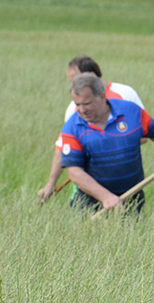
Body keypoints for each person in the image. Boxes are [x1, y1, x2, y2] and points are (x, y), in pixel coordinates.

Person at [57, 73, 154, 213]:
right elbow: (74, 172)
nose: (82, 110)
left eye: (87, 103)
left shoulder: (130, 111)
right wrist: (106, 197)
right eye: (77, 104)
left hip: (132, 198)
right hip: (91, 204)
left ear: (102, 96)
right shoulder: (72, 127)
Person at [39, 55, 143, 204]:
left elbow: (144, 135)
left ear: (92, 76)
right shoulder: (74, 108)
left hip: (124, 183)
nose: (74, 86)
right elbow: (63, 146)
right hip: (87, 183)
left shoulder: (125, 94)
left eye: (76, 80)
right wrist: (51, 184)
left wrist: (104, 148)